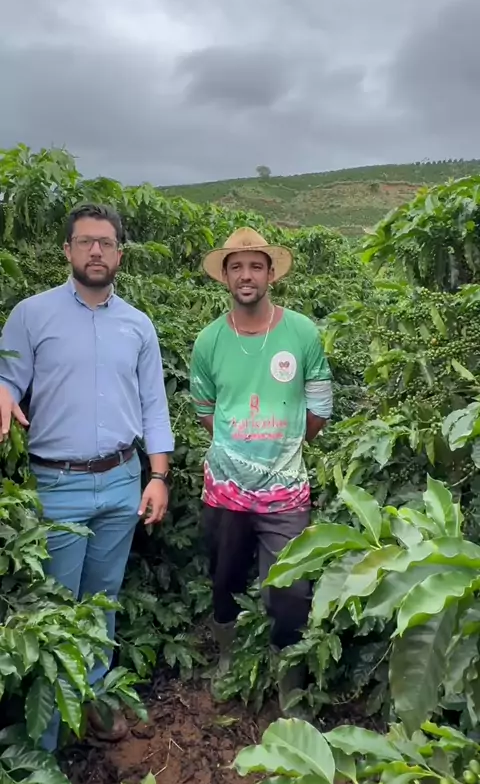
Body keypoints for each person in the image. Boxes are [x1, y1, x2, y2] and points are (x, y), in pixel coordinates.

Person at [0, 203, 174, 749]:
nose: (96, 251)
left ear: (120, 253)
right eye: (85, 242)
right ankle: (45, 743)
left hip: (122, 480)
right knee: (52, 612)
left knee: (102, 598)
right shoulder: (31, 315)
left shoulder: (138, 325)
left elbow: (154, 404)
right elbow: (8, 378)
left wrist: (158, 475)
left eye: (106, 242)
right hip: (57, 485)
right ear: (68, 250)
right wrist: (3, 392)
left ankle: (94, 701)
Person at [189, 226, 333, 714]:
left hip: (286, 493)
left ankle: (289, 678)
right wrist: (238, 449)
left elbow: (319, 406)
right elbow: (206, 410)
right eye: (237, 267)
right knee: (224, 577)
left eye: (255, 266)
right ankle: (228, 657)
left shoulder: (302, 332)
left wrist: (283, 447)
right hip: (225, 491)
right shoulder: (209, 341)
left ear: (271, 274)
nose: (246, 275)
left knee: (291, 590)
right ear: (225, 277)